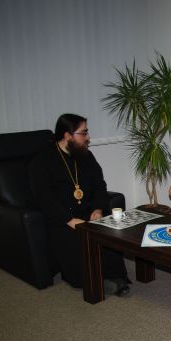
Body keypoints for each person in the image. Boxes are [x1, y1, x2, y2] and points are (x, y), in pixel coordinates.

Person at [29, 113, 131, 297]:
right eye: (83, 133)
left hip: (88, 211)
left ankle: (117, 278)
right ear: (68, 136)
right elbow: (43, 197)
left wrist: (98, 209)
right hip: (60, 217)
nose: (88, 137)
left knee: (109, 231)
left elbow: (100, 185)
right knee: (74, 239)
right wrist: (68, 220)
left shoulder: (85, 156)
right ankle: (92, 282)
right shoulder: (43, 160)